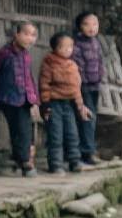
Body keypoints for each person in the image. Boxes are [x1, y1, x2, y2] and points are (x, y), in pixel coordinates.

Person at [0, 20, 40, 177]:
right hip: (9, 98)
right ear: (16, 34)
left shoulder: (26, 56)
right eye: (26, 34)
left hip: (24, 99)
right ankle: (22, 160)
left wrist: (34, 99)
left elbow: (29, 78)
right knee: (17, 130)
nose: (30, 38)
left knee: (24, 130)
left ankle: (23, 161)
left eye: (33, 35)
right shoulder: (4, 53)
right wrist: (6, 85)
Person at [40, 32, 93, 175]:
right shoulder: (49, 63)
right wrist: (45, 104)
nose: (68, 50)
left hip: (69, 105)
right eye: (64, 47)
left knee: (72, 134)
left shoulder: (72, 65)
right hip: (54, 103)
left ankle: (74, 161)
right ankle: (55, 164)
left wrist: (81, 106)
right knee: (56, 135)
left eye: (71, 46)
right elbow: (44, 85)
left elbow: (76, 88)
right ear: (55, 48)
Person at [71, 11, 105, 165]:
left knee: (91, 118)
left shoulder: (96, 42)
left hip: (95, 85)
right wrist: (83, 85)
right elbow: (78, 67)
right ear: (79, 26)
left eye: (95, 24)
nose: (92, 27)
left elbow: (100, 62)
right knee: (87, 118)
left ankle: (87, 150)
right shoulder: (77, 44)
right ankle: (87, 152)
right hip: (83, 87)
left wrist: (100, 78)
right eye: (87, 24)